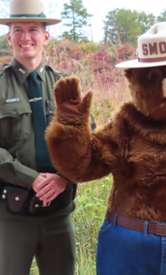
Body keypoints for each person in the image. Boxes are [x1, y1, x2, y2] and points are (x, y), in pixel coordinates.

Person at [0, 0, 76, 274]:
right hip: (12, 216)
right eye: (17, 29)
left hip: (58, 214)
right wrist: (32, 179)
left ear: (46, 35)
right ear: (9, 36)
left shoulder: (67, 86)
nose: (25, 37)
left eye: (33, 28)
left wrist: (63, 177)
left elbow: (87, 143)